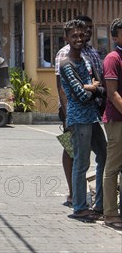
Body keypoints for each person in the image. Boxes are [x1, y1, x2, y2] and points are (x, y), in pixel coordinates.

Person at [59, 20, 107, 222]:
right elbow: (80, 95)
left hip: (93, 117)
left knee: (105, 155)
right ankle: (79, 207)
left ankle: (100, 204)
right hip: (79, 119)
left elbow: (102, 88)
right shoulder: (66, 64)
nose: (79, 39)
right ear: (67, 39)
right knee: (81, 162)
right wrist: (90, 88)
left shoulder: (85, 61)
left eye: (81, 35)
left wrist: (91, 87)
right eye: (74, 36)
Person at [102, 18, 122, 231]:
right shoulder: (112, 58)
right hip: (117, 120)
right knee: (113, 167)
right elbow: (113, 92)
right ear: (115, 37)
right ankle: (110, 213)